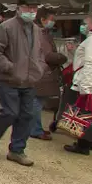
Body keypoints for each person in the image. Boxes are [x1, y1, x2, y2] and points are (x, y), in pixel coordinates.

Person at [0, 0, 47, 167]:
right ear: (19, 8)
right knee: (11, 112)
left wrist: (39, 68)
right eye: (28, 8)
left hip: (29, 80)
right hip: (9, 79)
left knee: (27, 115)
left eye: (34, 8)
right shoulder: (7, 27)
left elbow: (40, 53)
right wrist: (9, 67)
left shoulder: (36, 30)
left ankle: (17, 150)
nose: (32, 12)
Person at [64, 13, 92, 155]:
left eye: (85, 23)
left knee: (84, 113)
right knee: (91, 112)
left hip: (88, 82)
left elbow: (90, 63)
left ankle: (83, 145)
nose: (83, 26)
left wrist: (86, 87)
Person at [30, 8, 67, 141]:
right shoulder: (41, 34)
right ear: (43, 20)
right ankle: (35, 129)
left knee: (35, 101)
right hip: (41, 72)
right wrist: (62, 57)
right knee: (36, 102)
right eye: (52, 19)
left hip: (36, 71)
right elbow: (49, 56)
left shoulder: (36, 32)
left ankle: (34, 128)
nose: (53, 22)